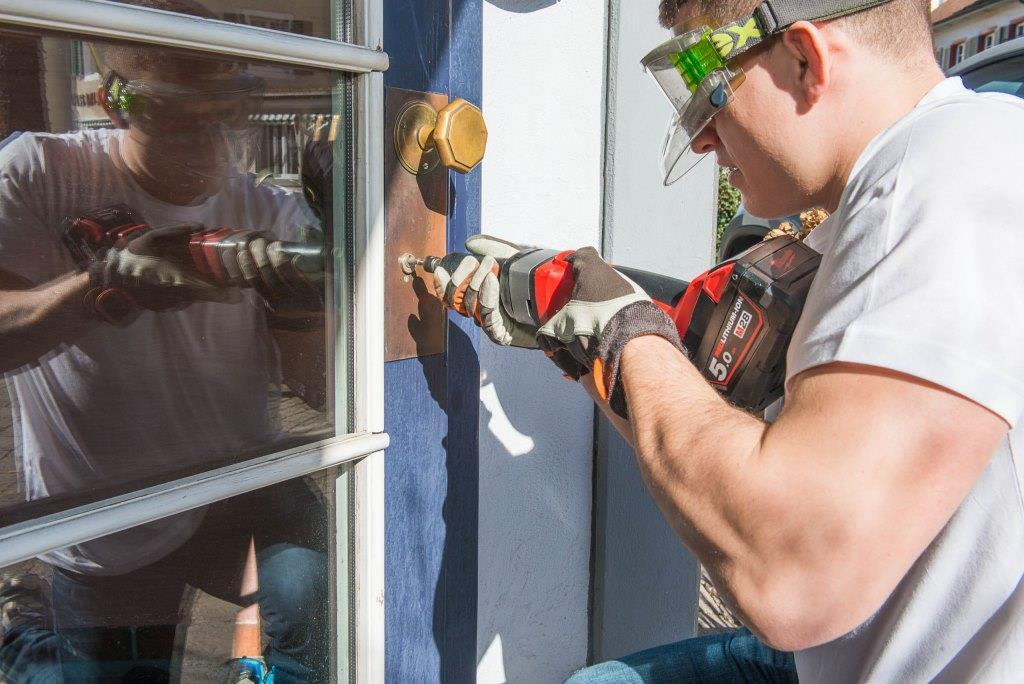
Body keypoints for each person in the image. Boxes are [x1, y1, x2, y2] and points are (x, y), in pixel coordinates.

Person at [432, 0, 1024, 681]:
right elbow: (704, 414)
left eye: (707, 84)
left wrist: (623, 333)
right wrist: (579, 333)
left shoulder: (943, 182)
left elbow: (790, 576)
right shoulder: (886, 199)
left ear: (804, 59)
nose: (703, 136)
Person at [0, 3, 329, 680]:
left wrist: (299, 310)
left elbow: (323, 389)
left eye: (222, 113)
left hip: (236, 484)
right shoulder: (39, 173)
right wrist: (101, 289)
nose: (207, 141)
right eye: (179, 116)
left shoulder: (268, 209)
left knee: (315, 591)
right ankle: (29, 641)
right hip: (109, 512)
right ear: (114, 105)